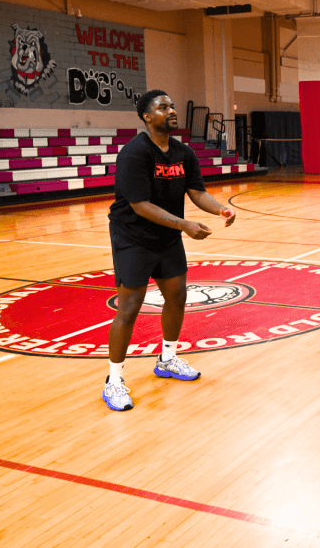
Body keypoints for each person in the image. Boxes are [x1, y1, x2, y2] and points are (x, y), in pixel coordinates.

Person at [102, 89, 235, 411]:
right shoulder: (134, 153)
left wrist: (219, 209)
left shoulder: (183, 153)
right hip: (133, 236)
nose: (171, 110)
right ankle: (114, 380)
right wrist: (184, 225)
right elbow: (139, 204)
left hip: (168, 234)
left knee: (177, 296)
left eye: (172, 105)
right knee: (130, 306)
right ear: (147, 116)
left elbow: (197, 191)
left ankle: (167, 358)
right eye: (163, 107)